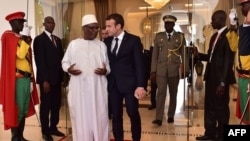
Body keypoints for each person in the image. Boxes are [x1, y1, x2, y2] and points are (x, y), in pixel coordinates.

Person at [62, 14, 110, 141]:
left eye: (97, 28)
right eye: (92, 28)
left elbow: (108, 67)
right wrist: (69, 69)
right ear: (84, 28)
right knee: (80, 117)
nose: (95, 31)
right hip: (79, 88)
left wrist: (105, 71)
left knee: (99, 117)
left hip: (97, 89)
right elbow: (64, 63)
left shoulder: (101, 45)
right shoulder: (74, 45)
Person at [194, 10, 236, 141]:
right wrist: (199, 55)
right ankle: (210, 132)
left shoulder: (229, 35)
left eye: (214, 19)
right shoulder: (213, 37)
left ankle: (222, 134)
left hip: (220, 80)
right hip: (211, 78)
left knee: (221, 108)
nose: (212, 22)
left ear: (222, 20)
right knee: (210, 106)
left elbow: (228, 61)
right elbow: (211, 58)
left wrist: (223, 83)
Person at [104, 13, 146, 141]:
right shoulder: (106, 41)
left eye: (109, 26)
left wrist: (140, 86)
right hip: (113, 85)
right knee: (116, 115)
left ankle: (136, 139)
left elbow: (139, 65)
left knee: (132, 113)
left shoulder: (134, 40)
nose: (106, 29)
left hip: (130, 85)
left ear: (118, 26)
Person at [0, 11, 39, 141]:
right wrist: (26, 38)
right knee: (17, 109)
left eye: (23, 22)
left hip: (26, 79)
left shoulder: (21, 38)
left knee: (23, 108)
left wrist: (31, 79)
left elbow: (27, 59)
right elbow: (21, 55)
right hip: (17, 79)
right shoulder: (8, 36)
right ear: (13, 23)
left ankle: (20, 136)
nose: (22, 24)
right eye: (20, 22)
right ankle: (15, 137)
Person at [151, 15, 188, 126]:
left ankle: (171, 115)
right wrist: (153, 71)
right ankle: (158, 118)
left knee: (173, 93)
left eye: (169, 23)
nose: (167, 25)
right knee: (160, 93)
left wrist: (186, 69)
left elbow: (184, 54)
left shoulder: (180, 37)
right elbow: (154, 56)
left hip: (174, 70)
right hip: (161, 70)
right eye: (166, 23)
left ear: (173, 24)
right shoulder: (159, 36)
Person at [33, 16, 65, 141]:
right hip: (47, 80)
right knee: (46, 106)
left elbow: (61, 60)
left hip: (57, 79)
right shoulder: (39, 39)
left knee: (56, 105)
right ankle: (45, 131)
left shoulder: (57, 39)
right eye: (49, 22)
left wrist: (63, 78)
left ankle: (53, 127)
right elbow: (40, 61)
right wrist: (44, 80)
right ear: (44, 24)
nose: (51, 24)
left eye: (53, 22)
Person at [235, 0, 250, 125]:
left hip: (249, 77)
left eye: (244, 6)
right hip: (243, 76)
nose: (241, 9)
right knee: (245, 112)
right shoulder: (245, 27)